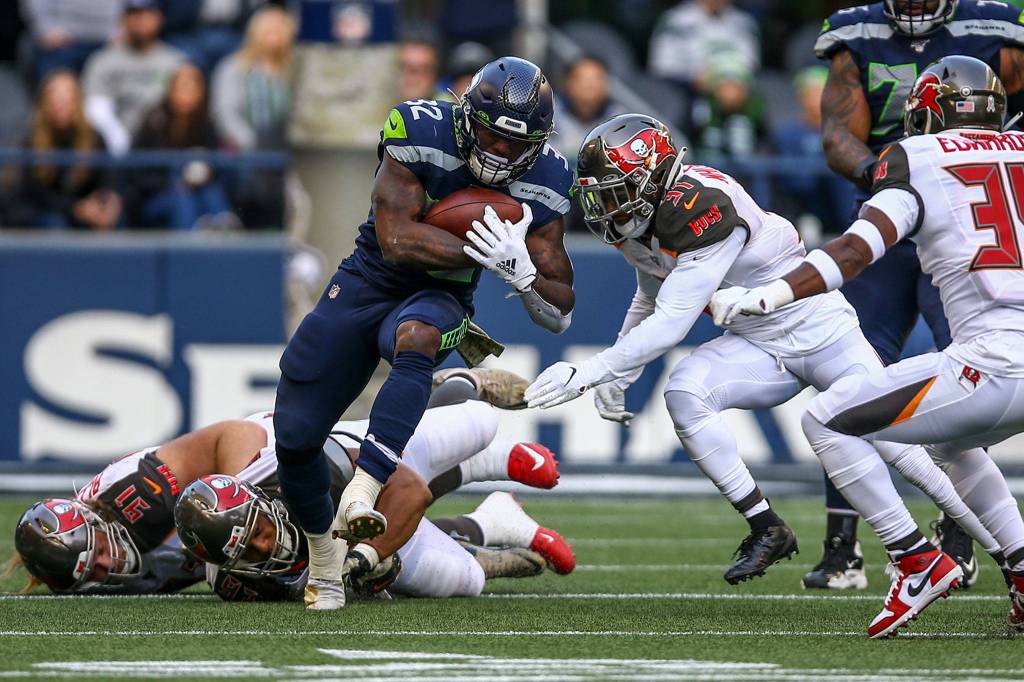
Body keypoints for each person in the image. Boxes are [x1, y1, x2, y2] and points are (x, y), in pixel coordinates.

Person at [523, 113, 1003, 586]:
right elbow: (649, 294)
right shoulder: (641, 220)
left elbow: (672, 322)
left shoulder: (701, 205)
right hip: (758, 342)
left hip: (820, 329)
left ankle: (1005, 553)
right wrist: (619, 373)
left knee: (903, 452)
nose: (608, 206)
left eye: (618, 190)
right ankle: (766, 525)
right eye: (602, 194)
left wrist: (592, 372)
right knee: (686, 393)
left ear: (654, 178)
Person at [710, 56, 1024, 637]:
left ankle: (913, 559)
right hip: (1004, 362)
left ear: (928, 114)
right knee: (952, 446)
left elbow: (858, 249)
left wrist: (771, 294)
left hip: (993, 362)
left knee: (828, 418)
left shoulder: (918, 158)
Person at [271, 56, 575, 609]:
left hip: (440, 296)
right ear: (465, 119)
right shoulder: (418, 129)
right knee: (293, 436)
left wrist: (525, 276)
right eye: (490, 135)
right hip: (367, 281)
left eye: (516, 144)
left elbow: (560, 310)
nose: (500, 153)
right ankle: (324, 560)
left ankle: (364, 492)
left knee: (417, 337)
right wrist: (490, 256)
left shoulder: (549, 177)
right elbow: (396, 239)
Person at [12, 370, 570, 599]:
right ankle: (487, 525)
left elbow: (225, 437)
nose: (113, 568)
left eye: (104, 555)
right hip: (232, 529)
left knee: (380, 477)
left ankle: (466, 414)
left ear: (96, 520)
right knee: (449, 578)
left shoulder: (134, 495)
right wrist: (361, 564)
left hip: (261, 467)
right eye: (96, 575)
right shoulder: (101, 575)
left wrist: (237, 502)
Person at [811, 0, 1024, 591]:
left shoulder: (996, 29)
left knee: (968, 369)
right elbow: (837, 135)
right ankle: (843, 545)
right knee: (853, 370)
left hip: (967, 229)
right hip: (893, 210)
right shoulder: (855, 33)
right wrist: (893, 177)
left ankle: (956, 541)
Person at [133, 62, 237, 230]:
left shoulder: (207, 124)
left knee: (212, 191)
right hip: (159, 197)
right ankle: (188, 247)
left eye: (193, 88)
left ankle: (224, 226)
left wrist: (207, 172)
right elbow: (139, 173)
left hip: (200, 192)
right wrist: (177, 181)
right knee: (183, 196)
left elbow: (219, 165)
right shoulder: (153, 124)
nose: (187, 94)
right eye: (183, 87)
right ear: (171, 89)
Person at [20, 70, 122, 231]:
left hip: (89, 209)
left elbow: (107, 180)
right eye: (55, 98)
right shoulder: (31, 140)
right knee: (53, 223)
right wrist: (75, 208)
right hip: (49, 212)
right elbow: (31, 192)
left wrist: (107, 203)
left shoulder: (95, 138)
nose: (61, 104)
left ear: (78, 101)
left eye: (68, 98)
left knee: (116, 220)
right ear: (44, 102)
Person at [81, 0, 186, 155]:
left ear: (159, 18)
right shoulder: (103, 61)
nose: (141, 20)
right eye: (134, 14)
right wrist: (116, 136)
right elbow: (97, 108)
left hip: (163, 146)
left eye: (148, 13)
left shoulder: (175, 62)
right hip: (113, 149)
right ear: (123, 18)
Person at [771, 66, 853, 234]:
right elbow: (792, 180)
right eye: (811, 93)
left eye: (821, 92)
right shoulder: (787, 134)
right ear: (801, 97)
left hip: (837, 201)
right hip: (803, 202)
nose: (817, 99)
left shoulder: (848, 132)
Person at [211, 5, 294, 151]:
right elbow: (226, 114)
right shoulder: (232, 68)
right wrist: (253, 144)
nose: (275, 30)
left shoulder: (296, 70)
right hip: (246, 153)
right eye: (269, 26)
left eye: (281, 26)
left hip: (289, 152)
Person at [647, 0, 759, 95]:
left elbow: (750, 63)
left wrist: (723, 79)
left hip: (735, 90)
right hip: (683, 91)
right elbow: (662, 66)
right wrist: (692, 79)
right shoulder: (675, 20)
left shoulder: (744, 22)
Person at [552, 55, 627, 163]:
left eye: (597, 79)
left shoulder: (620, 121)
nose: (589, 85)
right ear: (567, 82)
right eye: (582, 79)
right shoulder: (548, 113)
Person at [21, 0, 120, 81]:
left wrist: (125, 28)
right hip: (62, 40)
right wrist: (45, 27)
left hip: (112, 38)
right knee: (60, 91)